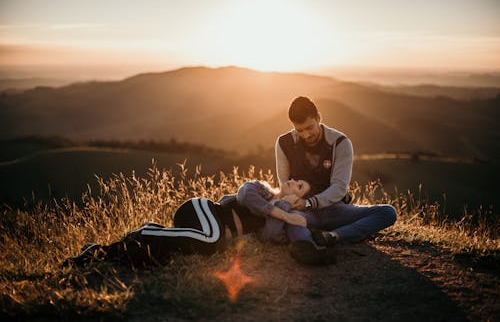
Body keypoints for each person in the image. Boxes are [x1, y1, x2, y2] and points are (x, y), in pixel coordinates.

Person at [64, 179, 312, 268]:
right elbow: (244, 195)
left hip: (201, 229)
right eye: (295, 179)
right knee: (212, 242)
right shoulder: (260, 189)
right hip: (202, 209)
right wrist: (283, 211)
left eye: (300, 187)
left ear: (298, 199)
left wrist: (285, 208)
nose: (293, 181)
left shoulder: (276, 213)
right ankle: (147, 231)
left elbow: (271, 236)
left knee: (156, 256)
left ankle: (97, 252)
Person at [275, 96, 397, 263]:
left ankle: (332, 236)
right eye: (300, 130)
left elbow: (339, 187)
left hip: (334, 210)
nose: (306, 134)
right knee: (291, 219)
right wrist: (294, 204)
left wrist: (310, 202)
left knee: (387, 212)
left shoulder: (340, 143)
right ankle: (310, 250)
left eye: (310, 127)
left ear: (319, 117)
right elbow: (284, 185)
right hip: (304, 212)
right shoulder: (283, 143)